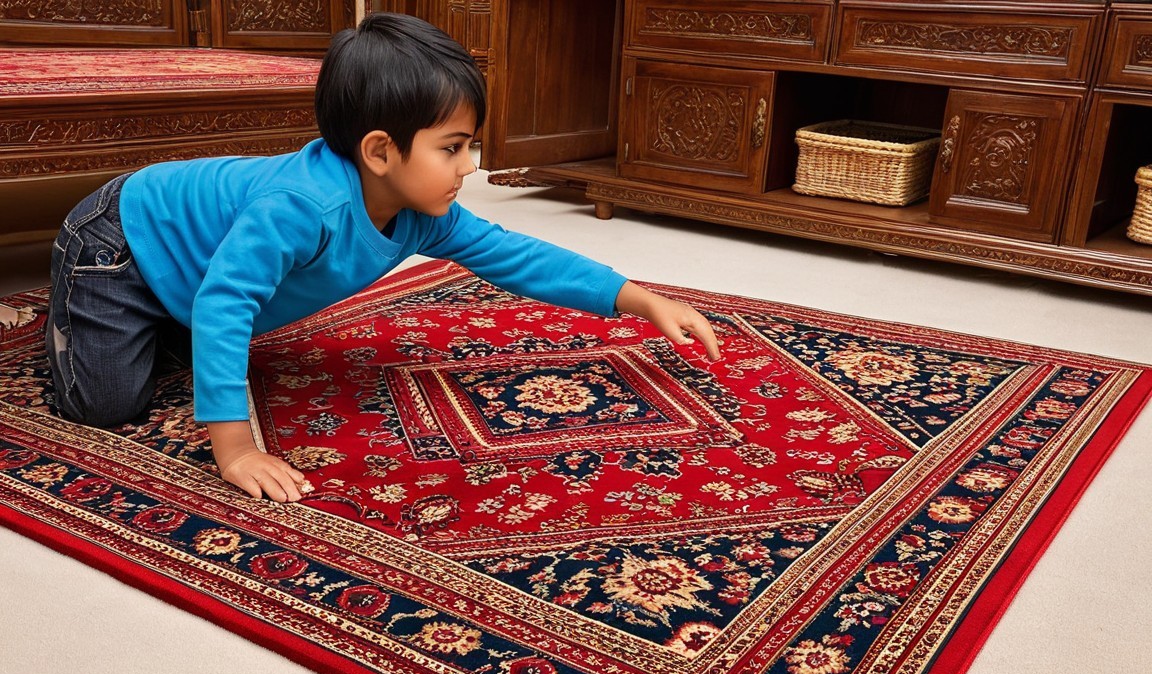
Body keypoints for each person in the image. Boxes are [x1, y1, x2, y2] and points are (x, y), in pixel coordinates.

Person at [46, 12, 721, 504]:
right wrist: (236, 448)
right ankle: (77, 309)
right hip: (118, 242)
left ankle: (162, 323)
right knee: (106, 404)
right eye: (453, 148)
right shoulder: (303, 207)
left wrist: (638, 298)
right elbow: (228, 299)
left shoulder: (421, 217)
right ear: (379, 152)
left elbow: (515, 255)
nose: (469, 166)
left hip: (191, 258)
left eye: (470, 146)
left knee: (211, 328)